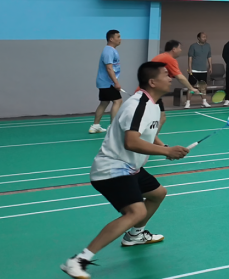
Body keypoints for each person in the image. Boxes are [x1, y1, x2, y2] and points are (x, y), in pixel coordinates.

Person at [60, 62, 190, 279]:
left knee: (158, 193)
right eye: (166, 75)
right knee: (136, 212)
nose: (171, 78)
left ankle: (135, 235)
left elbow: (147, 133)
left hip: (131, 166)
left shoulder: (153, 104)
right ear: (152, 82)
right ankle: (78, 260)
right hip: (112, 168)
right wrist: (165, 152)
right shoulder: (137, 105)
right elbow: (131, 142)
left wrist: (165, 147)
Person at [151, 41, 198, 125]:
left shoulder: (162, 56)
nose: (180, 50)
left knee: (161, 117)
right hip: (151, 93)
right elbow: (180, 77)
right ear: (174, 49)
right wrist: (191, 88)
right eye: (179, 48)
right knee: (157, 118)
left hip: (152, 92)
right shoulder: (169, 59)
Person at [91, 30, 123, 134]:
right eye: (118, 37)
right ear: (111, 39)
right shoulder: (108, 51)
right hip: (108, 83)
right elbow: (109, 68)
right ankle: (113, 127)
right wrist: (116, 82)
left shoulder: (111, 50)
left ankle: (95, 126)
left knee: (104, 102)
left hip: (105, 82)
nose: (120, 39)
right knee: (118, 101)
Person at [186, 32, 212, 108]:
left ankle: (204, 102)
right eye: (203, 37)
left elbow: (209, 56)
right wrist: (190, 68)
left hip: (203, 70)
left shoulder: (208, 46)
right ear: (198, 38)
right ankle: (188, 102)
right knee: (191, 87)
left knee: (203, 87)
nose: (205, 38)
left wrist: (210, 66)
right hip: (194, 70)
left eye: (205, 37)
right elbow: (190, 57)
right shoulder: (193, 46)